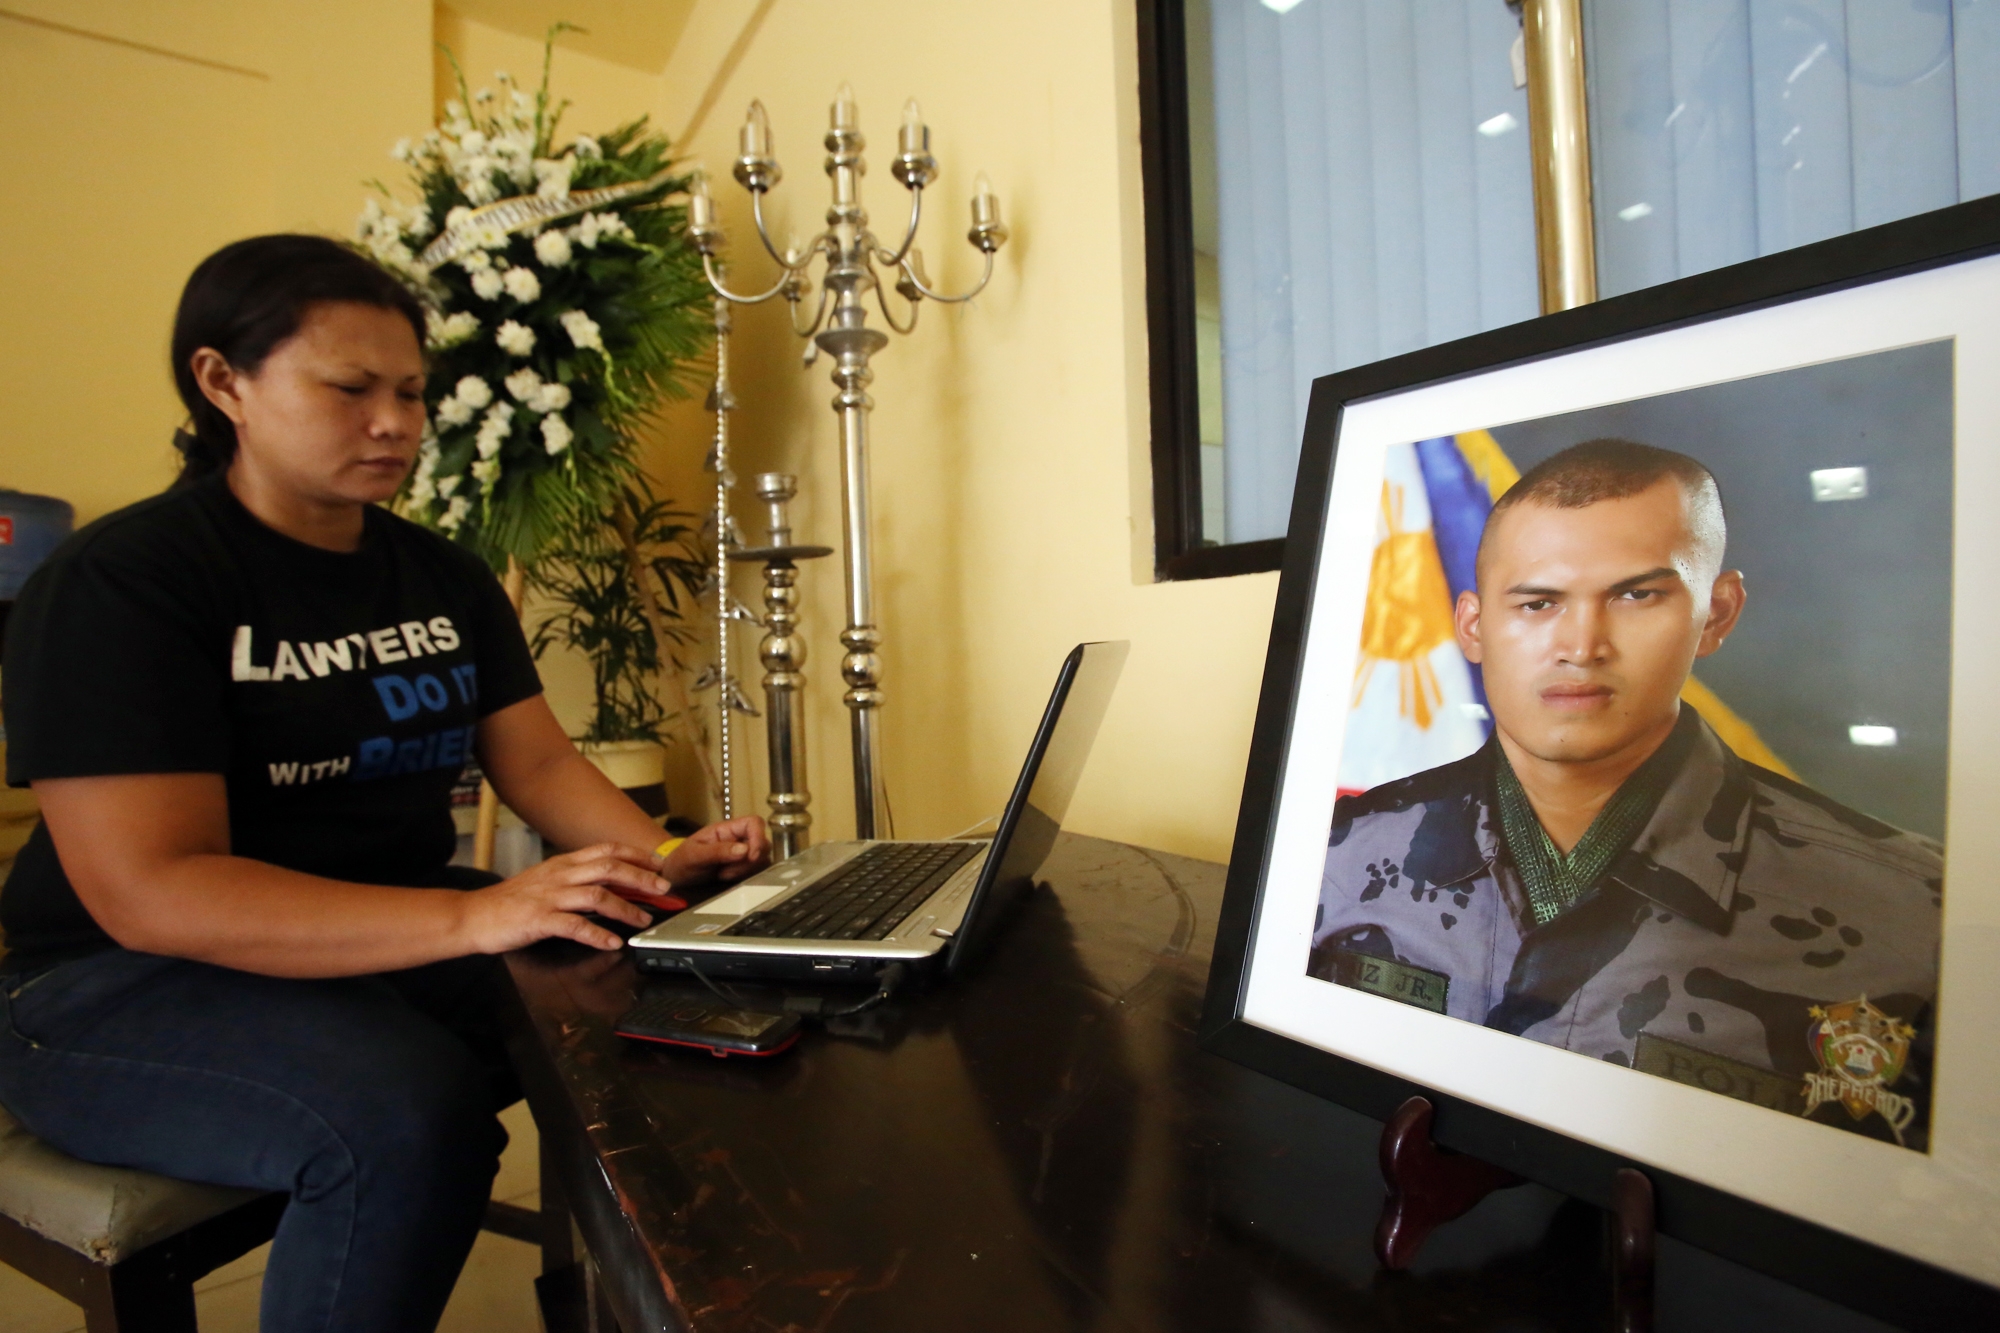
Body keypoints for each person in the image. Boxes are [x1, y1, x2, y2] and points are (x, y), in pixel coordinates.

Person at [0, 234, 770, 1331]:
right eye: (349, 388)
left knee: (659, 977)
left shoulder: (440, 573)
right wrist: (477, 916)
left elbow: (539, 761)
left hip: (382, 938)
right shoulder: (126, 583)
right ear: (224, 382)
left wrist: (655, 863)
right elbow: (153, 891)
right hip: (112, 985)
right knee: (410, 1114)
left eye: (411, 391)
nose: (395, 422)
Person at [1310, 439, 1942, 1150]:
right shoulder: (1334, 857)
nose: (1581, 644)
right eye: (1537, 602)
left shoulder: (1917, 915)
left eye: (1637, 594)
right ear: (1473, 626)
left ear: (1718, 612)